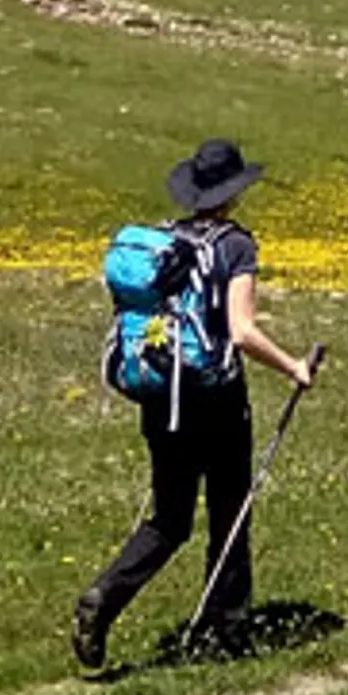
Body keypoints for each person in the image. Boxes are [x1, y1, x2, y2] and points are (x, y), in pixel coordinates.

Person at [73, 137, 316, 667]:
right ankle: (223, 634)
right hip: (215, 397)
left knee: (170, 519)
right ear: (235, 192)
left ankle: (104, 597)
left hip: (161, 390)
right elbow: (242, 331)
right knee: (230, 513)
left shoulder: (163, 242)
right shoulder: (236, 246)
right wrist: (294, 366)